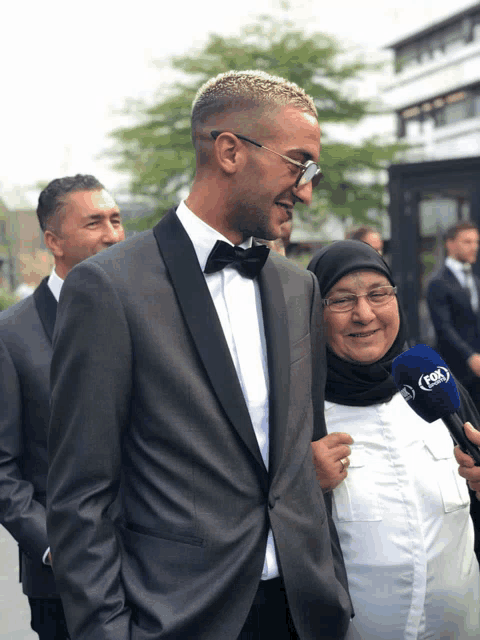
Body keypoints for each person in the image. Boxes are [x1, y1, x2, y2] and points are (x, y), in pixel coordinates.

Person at [46, 70, 353, 640]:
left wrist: (331, 591)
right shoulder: (108, 288)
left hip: (305, 616)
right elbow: (80, 498)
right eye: (298, 163)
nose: (307, 190)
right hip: (180, 620)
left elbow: (304, 460)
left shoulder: (298, 288)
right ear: (230, 151)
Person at [308, 239, 480, 639]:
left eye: (378, 294)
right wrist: (303, 484)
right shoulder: (301, 413)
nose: (364, 314)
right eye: (342, 300)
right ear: (315, 313)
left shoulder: (439, 386)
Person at [0, 174, 124, 640]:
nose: (112, 235)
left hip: (162, 570)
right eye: (94, 223)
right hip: (65, 581)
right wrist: (54, 546)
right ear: (54, 241)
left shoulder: (148, 315)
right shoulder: (10, 337)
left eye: (115, 220)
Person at [427, 221, 480, 409]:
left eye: (476, 242)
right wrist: (470, 356)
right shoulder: (438, 282)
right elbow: (443, 327)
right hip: (455, 368)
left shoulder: (474, 278)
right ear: (450, 244)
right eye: (467, 242)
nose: (474, 247)